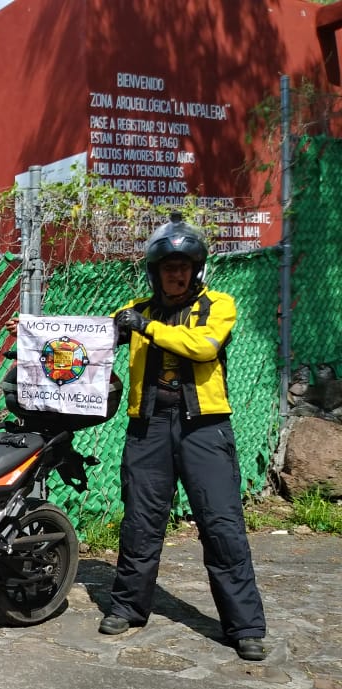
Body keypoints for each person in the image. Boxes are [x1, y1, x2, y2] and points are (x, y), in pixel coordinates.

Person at [102, 211, 267, 661]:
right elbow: (91, 338)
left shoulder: (220, 305)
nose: (175, 275)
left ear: (197, 270)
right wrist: (37, 338)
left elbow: (203, 347)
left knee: (222, 524)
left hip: (205, 429)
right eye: (166, 268)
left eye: (182, 267)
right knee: (140, 522)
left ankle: (245, 626)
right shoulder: (134, 309)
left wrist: (146, 328)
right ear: (155, 273)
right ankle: (127, 607)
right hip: (148, 427)